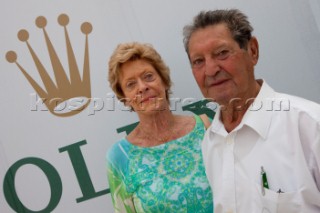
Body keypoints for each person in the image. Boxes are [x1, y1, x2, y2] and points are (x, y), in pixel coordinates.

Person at [182, 9, 320, 213]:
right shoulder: (210, 142)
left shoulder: (309, 125)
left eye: (222, 53)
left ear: (252, 51)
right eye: (198, 61)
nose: (210, 70)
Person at [106, 42, 213, 213]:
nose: (142, 87)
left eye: (148, 76)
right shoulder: (119, 157)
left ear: (164, 80)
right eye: (131, 84)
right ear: (125, 98)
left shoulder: (205, 127)